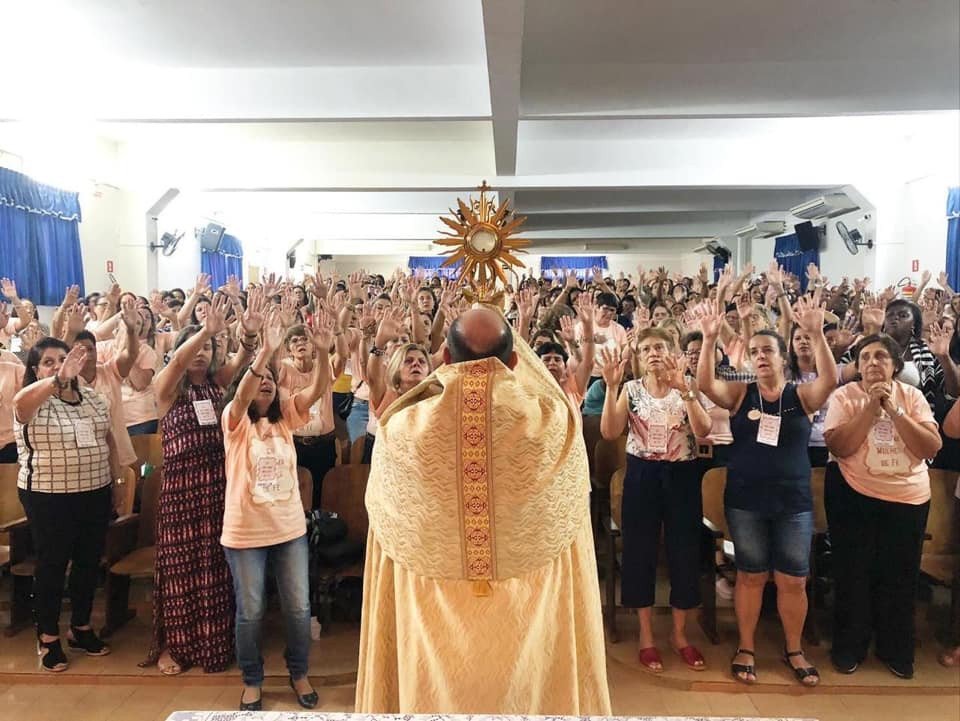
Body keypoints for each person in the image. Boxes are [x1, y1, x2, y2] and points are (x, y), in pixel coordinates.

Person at [356, 306, 611, 714]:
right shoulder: (551, 422)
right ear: (514, 360)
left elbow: (388, 516)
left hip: (435, 601)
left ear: (446, 358)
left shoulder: (402, 429)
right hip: (523, 601)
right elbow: (555, 400)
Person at [696, 296, 837, 687]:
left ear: (782, 358)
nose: (759, 356)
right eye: (754, 351)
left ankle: (794, 649)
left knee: (793, 578)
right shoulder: (741, 394)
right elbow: (705, 383)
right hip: (745, 500)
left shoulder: (800, 396)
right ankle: (746, 647)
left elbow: (830, 381)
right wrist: (710, 340)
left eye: (767, 350)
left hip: (793, 502)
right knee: (750, 575)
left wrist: (814, 333)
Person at [141, 291, 265, 675]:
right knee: (180, 572)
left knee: (214, 570)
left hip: (217, 491)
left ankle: (212, 643)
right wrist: (202, 331)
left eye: (209, 347)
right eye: (196, 346)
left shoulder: (218, 383)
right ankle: (176, 647)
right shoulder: (167, 389)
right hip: (180, 493)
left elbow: (242, 362)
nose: (202, 353)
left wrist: (246, 337)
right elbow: (178, 362)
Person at [221, 310, 333, 710]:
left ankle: (298, 672)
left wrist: (321, 354)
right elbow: (240, 397)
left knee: (299, 608)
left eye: (271, 380)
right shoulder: (234, 423)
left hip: (289, 531)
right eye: (258, 380)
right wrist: (265, 352)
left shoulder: (286, 420)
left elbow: (317, 390)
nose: (265, 384)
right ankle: (252, 679)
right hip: (245, 533)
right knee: (250, 611)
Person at [823, 334, 942, 679]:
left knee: (900, 578)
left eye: (881, 357)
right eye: (865, 358)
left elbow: (928, 446)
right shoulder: (844, 397)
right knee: (853, 574)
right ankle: (849, 648)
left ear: (895, 365)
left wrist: (892, 408)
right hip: (854, 495)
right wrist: (870, 408)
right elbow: (841, 446)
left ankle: (895, 650)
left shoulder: (913, 396)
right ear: (857, 367)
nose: (872, 363)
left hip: (908, 499)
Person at [600, 328, 711, 673]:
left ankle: (680, 635)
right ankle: (647, 636)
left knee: (684, 552)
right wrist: (611, 386)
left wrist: (687, 393)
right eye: (646, 348)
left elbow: (704, 430)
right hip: (642, 475)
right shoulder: (632, 389)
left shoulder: (687, 386)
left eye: (660, 346)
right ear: (638, 355)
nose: (653, 352)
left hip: (681, 475)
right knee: (639, 553)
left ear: (672, 350)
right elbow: (609, 432)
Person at [14, 338, 125, 671]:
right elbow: (20, 404)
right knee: (52, 564)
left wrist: (116, 481)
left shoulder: (92, 398)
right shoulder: (32, 400)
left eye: (63, 359)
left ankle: (80, 626)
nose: (59, 365)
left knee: (88, 563)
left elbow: (109, 441)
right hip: (48, 496)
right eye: (48, 361)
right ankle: (47, 636)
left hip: (94, 491)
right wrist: (57, 379)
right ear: (35, 370)